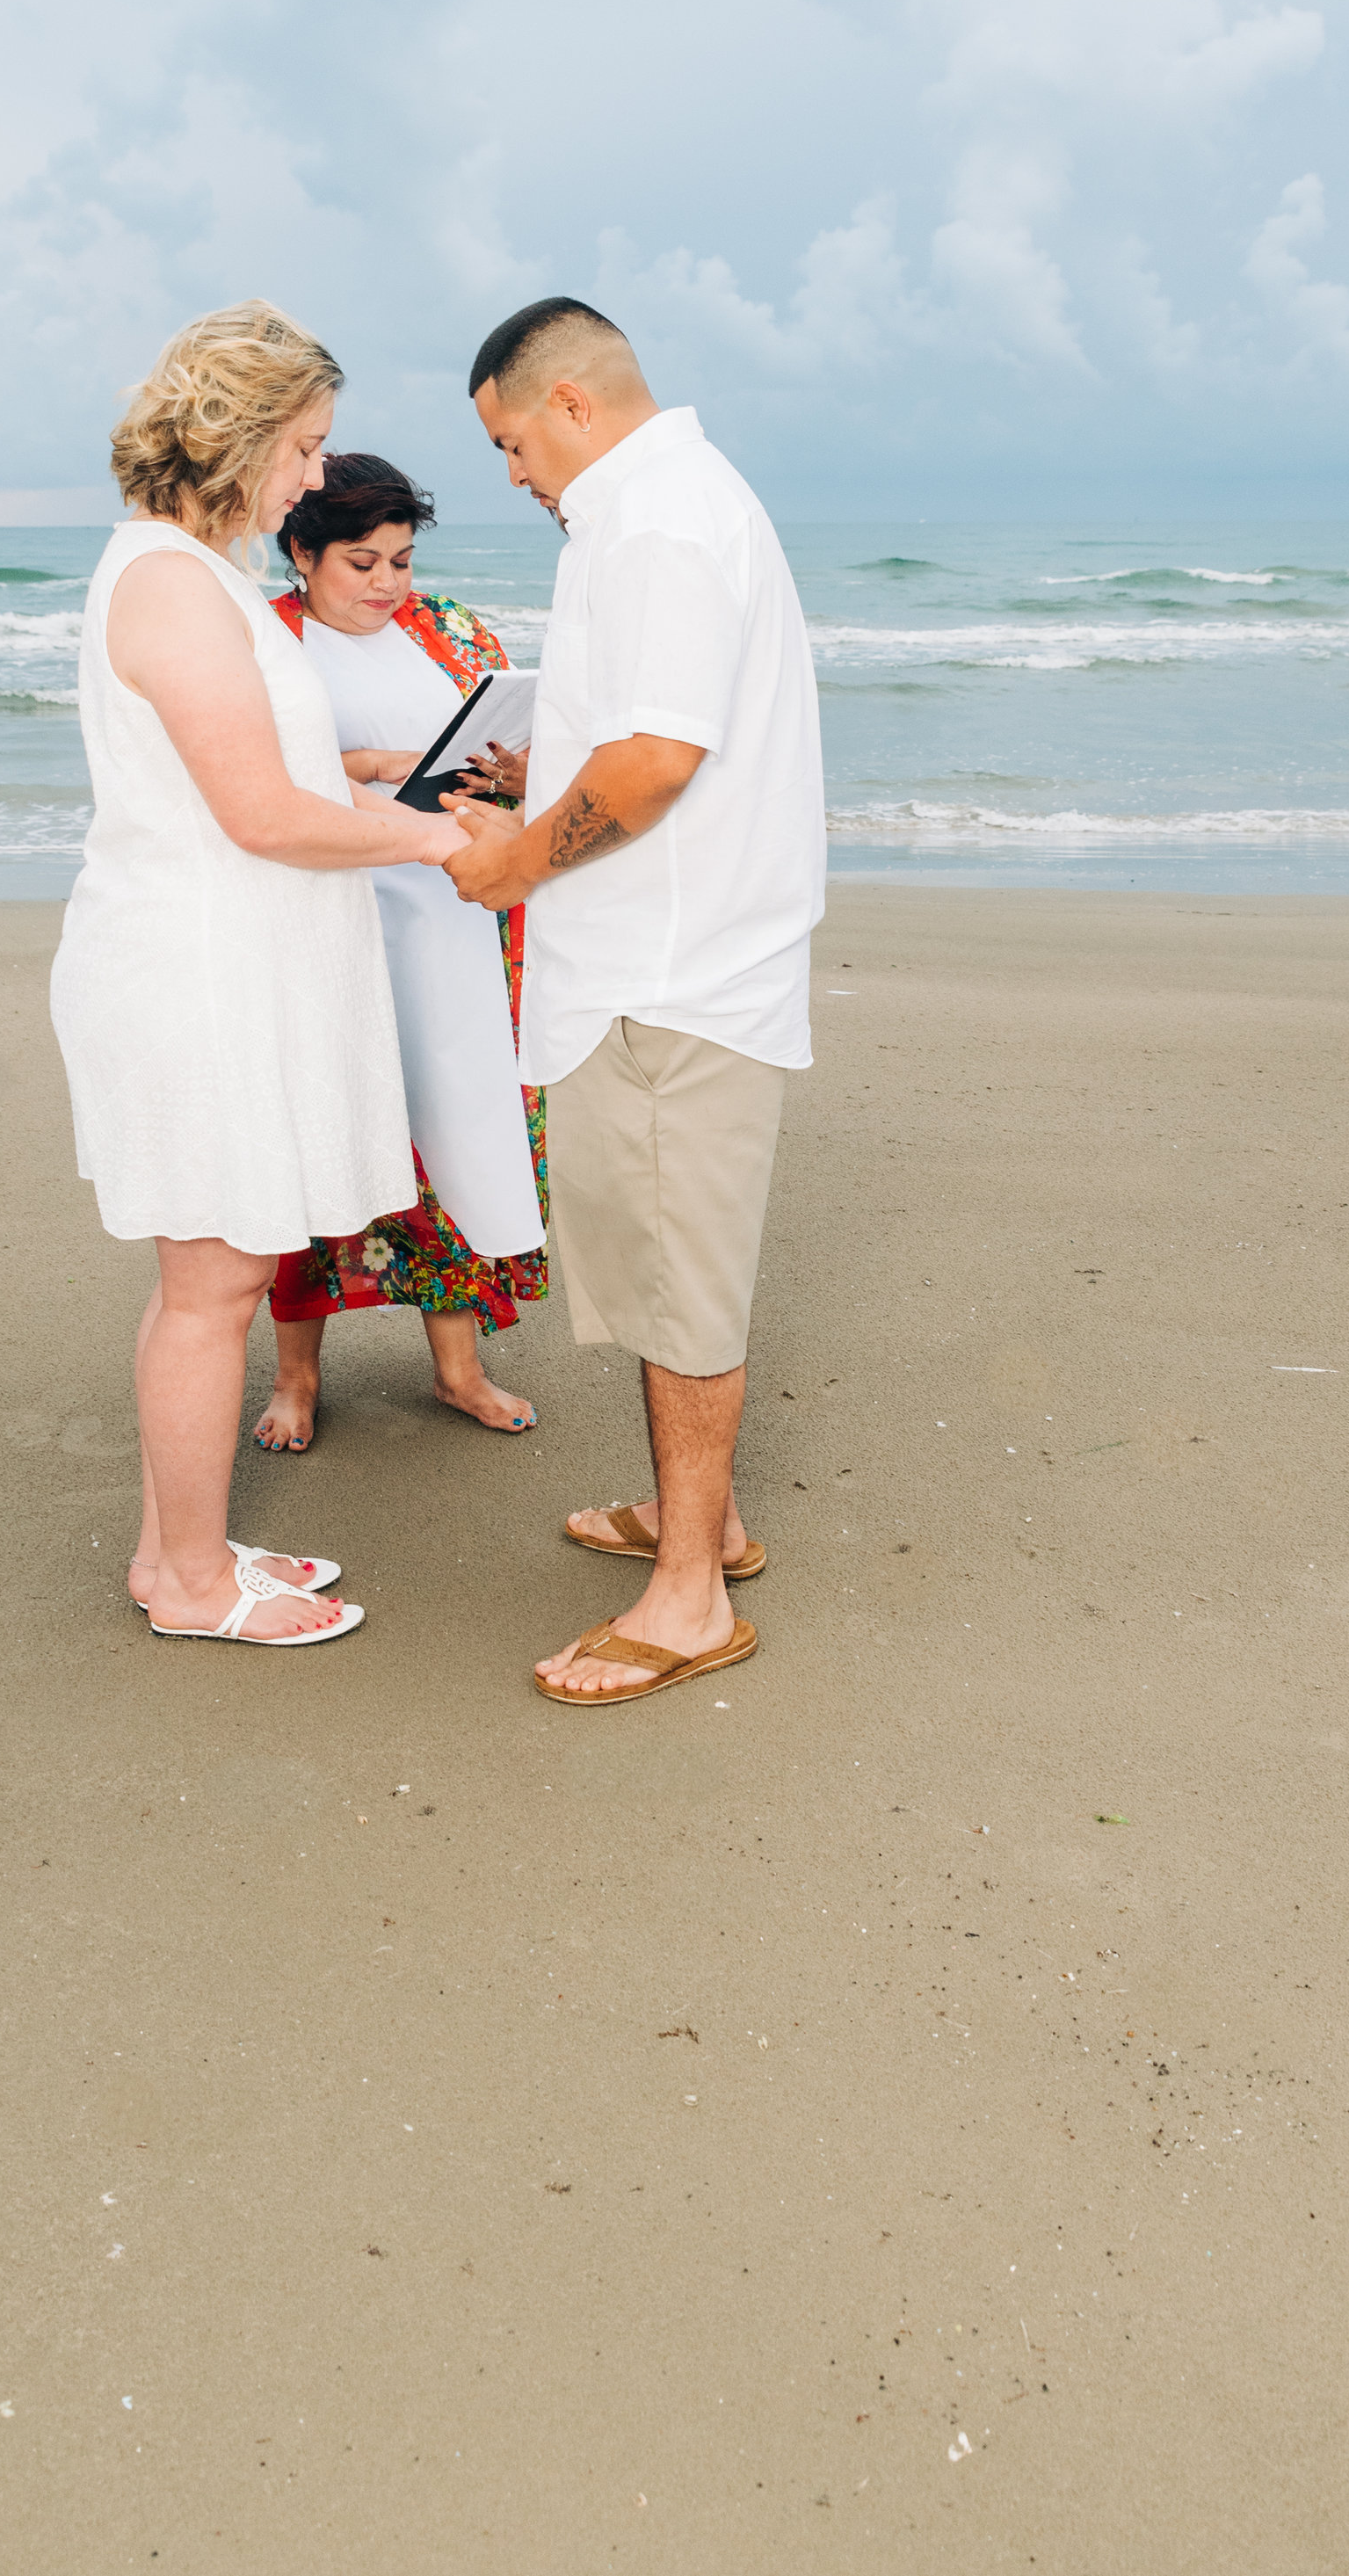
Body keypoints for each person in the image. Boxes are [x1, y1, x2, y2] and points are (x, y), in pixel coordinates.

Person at [49, 301, 466, 1649]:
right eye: (304, 447)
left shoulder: (195, 571)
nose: (313, 476)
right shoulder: (168, 581)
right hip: (192, 973)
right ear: (236, 440)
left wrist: (379, 783)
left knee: (217, 1278)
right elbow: (257, 815)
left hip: (233, 961)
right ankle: (188, 1586)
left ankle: (180, 1546)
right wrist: (434, 834)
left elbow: (268, 772)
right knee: (210, 1289)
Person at [440, 297, 825, 1703]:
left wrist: (512, 864)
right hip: (660, 961)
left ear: (571, 406)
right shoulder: (656, 508)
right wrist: (534, 781)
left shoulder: (658, 518)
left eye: (509, 441)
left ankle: (689, 1602)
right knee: (663, 1257)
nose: (512, 473)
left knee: (682, 1275)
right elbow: (633, 733)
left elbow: (657, 760)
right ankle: (697, 1518)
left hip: (671, 971)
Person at [253, 452, 548, 1450]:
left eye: (402, 561)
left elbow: (514, 753)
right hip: (334, 922)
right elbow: (241, 776)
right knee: (321, 1140)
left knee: (457, 1134)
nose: (388, 585)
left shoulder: (453, 630)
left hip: (463, 919)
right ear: (301, 553)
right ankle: (295, 1379)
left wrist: (514, 772)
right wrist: (371, 765)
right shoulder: (265, 643)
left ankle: (459, 1369)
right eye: (361, 562)